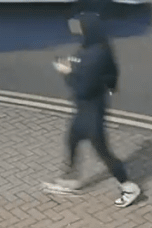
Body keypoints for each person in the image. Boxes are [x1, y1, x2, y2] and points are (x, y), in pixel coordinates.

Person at [46, 12, 141, 208]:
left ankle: (129, 187)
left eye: (80, 29)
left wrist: (67, 72)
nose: (77, 33)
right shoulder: (102, 47)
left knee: (103, 152)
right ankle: (72, 179)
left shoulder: (92, 55)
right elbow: (112, 71)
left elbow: (81, 89)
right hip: (88, 108)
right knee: (72, 138)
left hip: (91, 112)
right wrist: (111, 86)